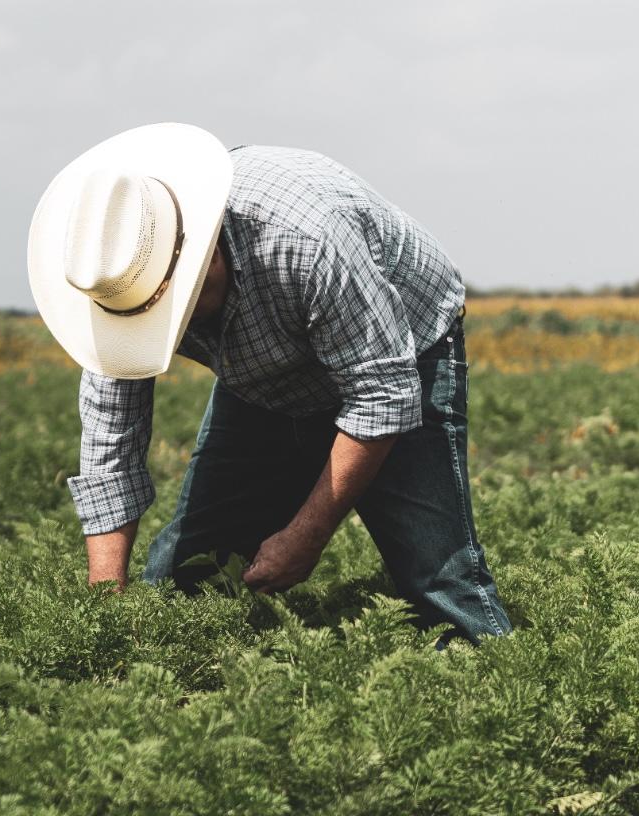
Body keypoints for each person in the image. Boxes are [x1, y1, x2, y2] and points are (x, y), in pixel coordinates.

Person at [28, 123, 512, 646]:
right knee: (186, 578)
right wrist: (106, 616)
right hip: (261, 374)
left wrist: (307, 535)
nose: (177, 323)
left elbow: (381, 396)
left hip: (402, 348)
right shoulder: (113, 277)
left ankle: (487, 666)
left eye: (179, 304)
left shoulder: (306, 240)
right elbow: (109, 451)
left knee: (437, 579)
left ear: (204, 250)